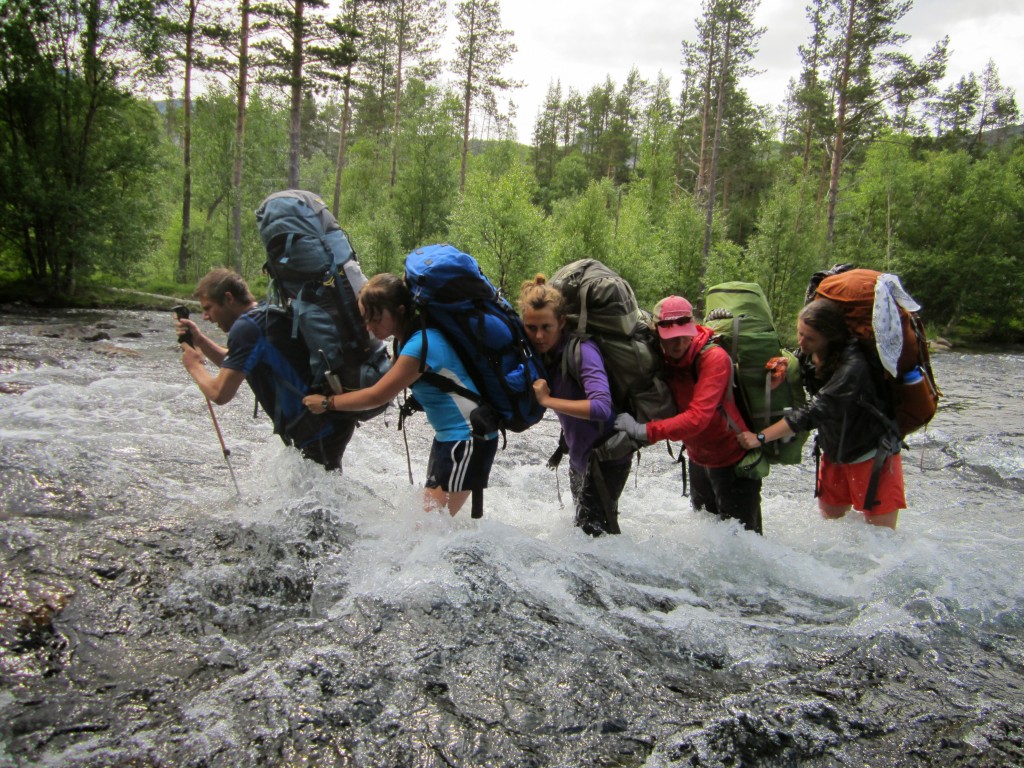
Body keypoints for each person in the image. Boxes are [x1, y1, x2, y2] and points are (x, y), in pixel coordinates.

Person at [302, 273, 498, 517]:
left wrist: (326, 403)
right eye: (365, 319)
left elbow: (377, 395)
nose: (369, 327)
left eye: (375, 318)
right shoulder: (405, 341)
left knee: (427, 528)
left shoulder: (420, 345)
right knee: (430, 528)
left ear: (400, 310)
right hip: (451, 438)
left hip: (469, 437)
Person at [736, 299, 905, 529]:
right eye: (800, 333)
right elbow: (797, 356)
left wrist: (761, 437)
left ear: (830, 337)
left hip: (872, 456)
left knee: (880, 540)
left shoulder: (855, 366)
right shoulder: (810, 353)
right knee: (831, 529)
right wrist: (784, 363)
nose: (801, 341)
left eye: (809, 337)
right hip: (833, 451)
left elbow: (815, 411)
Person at [176, 268, 355, 470]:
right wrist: (200, 341)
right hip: (328, 422)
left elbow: (220, 393)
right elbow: (236, 363)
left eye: (208, 308)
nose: (206, 317)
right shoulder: (265, 313)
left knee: (321, 500)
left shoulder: (246, 328)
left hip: (316, 428)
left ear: (228, 298)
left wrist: (195, 367)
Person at [614, 296, 763, 534]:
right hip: (698, 460)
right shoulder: (661, 358)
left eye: (684, 333)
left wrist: (644, 430)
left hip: (733, 464)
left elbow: (698, 418)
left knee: (743, 549)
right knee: (706, 535)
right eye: (671, 337)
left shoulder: (714, 358)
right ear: (658, 332)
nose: (678, 342)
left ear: (692, 326)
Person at [518, 275, 632, 537]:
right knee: (584, 535)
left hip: (607, 457)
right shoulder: (542, 354)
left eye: (546, 327)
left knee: (594, 539)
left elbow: (602, 407)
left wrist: (547, 401)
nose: (538, 335)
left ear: (561, 322)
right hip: (579, 457)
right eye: (530, 327)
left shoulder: (583, 351)